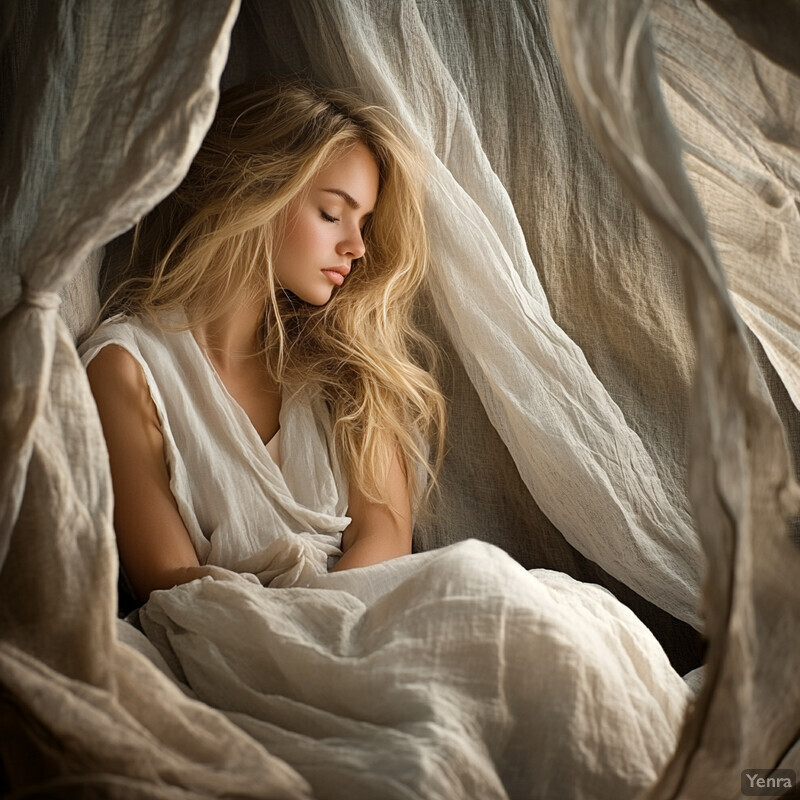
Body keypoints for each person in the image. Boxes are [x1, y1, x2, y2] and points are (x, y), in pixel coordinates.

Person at [81, 79, 690, 799]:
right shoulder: (127, 367)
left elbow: (384, 532)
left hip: (370, 615)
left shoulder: (340, 366)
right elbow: (170, 581)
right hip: (241, 644)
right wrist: (312, 649)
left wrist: (345, 637)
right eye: (333, 213)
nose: (357, 247)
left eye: (364, 221)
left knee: (535, 624)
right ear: (257, 195)